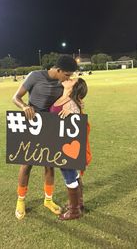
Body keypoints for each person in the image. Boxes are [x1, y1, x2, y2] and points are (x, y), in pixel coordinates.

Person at [12, 55, 77, 220]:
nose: (68, 78)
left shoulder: (63, 83)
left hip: (50, 125)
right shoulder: (35, 76)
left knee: (49, 164)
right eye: (67, 75)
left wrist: (71, 109)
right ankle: (20, 201)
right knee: (27, 164)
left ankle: (48, 200)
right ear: (58, 70)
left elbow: (73, 100)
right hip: (32, 124)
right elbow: (16, 97)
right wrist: (25, 106)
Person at [49, 77, 88, 220]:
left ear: (74, 87)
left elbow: (78, 121)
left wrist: (73, 114)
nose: (68, 78)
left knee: (69, 174)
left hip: (66, 146)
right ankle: (78, 203)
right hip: (59, 143)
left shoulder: (71, 103)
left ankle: (74, 211)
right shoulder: (62, 98)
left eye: (72, 80)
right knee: (72, 173)